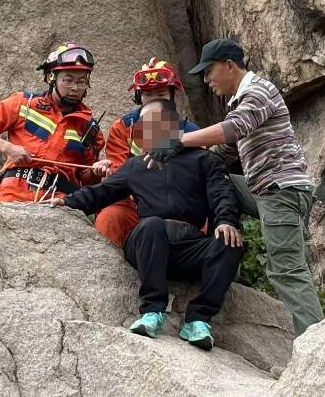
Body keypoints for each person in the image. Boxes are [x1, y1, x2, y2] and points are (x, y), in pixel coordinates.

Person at [146, 38, 324, 336]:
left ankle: (320, 348)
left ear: (229, 65)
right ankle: (222, 244)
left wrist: (177, 141)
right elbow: (221, 155)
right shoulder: (240, 101)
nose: (206, 80)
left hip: (280, 191)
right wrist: (179, 165)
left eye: (209, 71)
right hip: (265, 191)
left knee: (287, 271)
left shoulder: (258, 91)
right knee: (217, 181)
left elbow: (233, 129)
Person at [50, 99, 242, 351]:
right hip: (149, 243)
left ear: (173, 125)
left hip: (189, 245)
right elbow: (100, 193)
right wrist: (67, 202)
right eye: (141, 126)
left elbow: (222, 194)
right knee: (151, 225)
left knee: (229, 242)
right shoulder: (135, 165)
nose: (143, 131)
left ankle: (199, 319)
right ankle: (152, 312)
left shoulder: (203, 159)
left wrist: (227, 221)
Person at [0, 42, 112, 202]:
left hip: (59, 201)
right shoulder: (23, 103)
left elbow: (85, 179)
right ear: (52, 78)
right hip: (11, 193)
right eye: (68, 80)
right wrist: (8, 148)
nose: (75, 87)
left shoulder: (89, 128)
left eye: (81, 81)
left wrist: (96, 172)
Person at [95, 58, 200, 246]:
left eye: (160, 93)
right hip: (132, 204)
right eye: (148, 94)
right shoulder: (123, 128)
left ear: (172, 95)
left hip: (177, 206)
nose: (154, 100)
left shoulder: (192, 132)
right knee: (109, 219)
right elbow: (118, 175)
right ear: (138, 96)